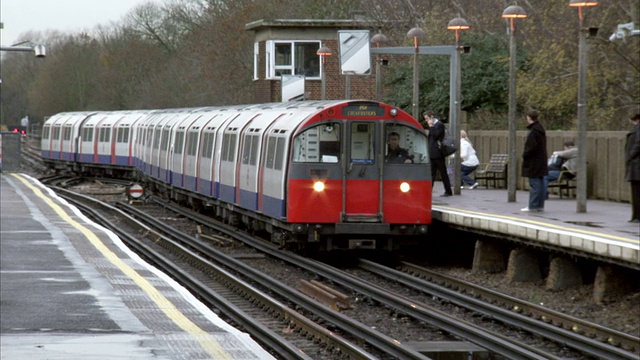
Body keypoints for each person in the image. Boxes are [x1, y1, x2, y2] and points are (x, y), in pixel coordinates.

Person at [521, 109, 548, 212]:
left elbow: (530, 148)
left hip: (533, 162)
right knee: (540, 183)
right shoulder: (540, 130)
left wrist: (525, 155)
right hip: (541, 161)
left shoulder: (533, 132)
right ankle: (539, 205)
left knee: (534, 183)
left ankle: (532, 205)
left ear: (528, 118)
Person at [424, 111, 453, 197]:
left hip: (438, 153)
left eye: (427, 118)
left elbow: (436, 136)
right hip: (432, 153)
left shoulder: (439, 125)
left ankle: (448, 191)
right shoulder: (433, 126)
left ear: (432, 117)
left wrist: (431, 126)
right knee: (432, 174)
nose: (426, 121)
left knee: (443, 173)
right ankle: (429, 191)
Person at [625, 113, 640, 223]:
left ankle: (637, 216)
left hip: (636, 165)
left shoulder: (638, 130)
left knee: (636, 192)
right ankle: (636, 215)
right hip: (635, 164)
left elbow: (638, 144)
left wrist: (630, 156)